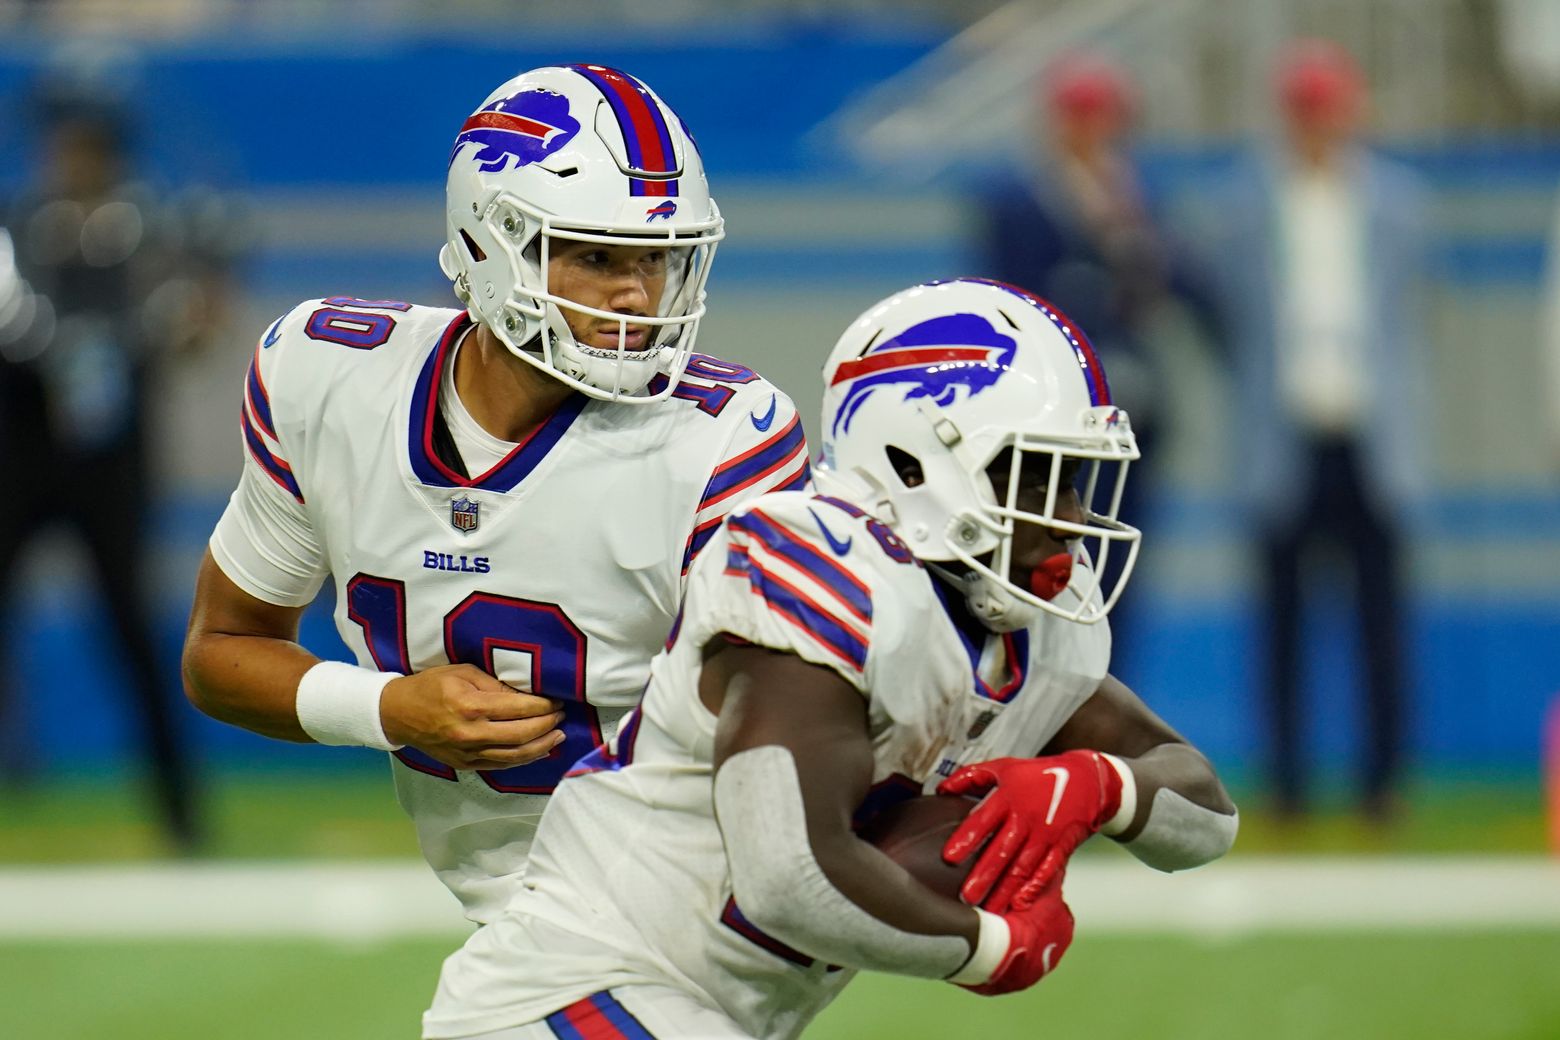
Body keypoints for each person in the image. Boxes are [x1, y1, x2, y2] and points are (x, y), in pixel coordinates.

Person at [422, 278, 1238, 1040]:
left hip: (689, 1012)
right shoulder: (820, 572)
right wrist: (988, 944)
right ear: (916, 461)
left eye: (1074, 480)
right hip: (572, 992)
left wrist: (1100, 787)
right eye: (1035, 477)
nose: (1066, 518)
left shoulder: (1026, 622)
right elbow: (788, 876)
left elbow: (1205, 817)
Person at [180, 65, 809, 923]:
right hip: (514, 913)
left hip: (691, 904)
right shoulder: (326, 378)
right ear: (490, 245)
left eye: (658, 259)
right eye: (596, 256)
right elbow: (221, 651)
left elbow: (794, 736)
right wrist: (388, 708)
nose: (638, 294)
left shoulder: (720, 440)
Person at [0, 73, 233, 852]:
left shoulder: (149, 236)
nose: (72, 161)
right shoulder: (19, 230)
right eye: (64, 146)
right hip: (19, 458)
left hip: (110, 471)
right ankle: (21, 758)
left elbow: (189, 332)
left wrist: (197, 304)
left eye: (87, 147)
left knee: (134, 637)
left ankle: (181, 815)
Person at [1208, 40, 1431, 821]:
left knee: (1381, 625)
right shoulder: (1244, 204)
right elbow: (1230, 322)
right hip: (1284, 439)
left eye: (1327, 106)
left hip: (1370, 438)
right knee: (1283, 627)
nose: (1316, 123)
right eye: (1304, 107)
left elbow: (1405, 323)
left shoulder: (1397, 202)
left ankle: (1382, 783)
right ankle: (1288, 785)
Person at [975, 52, 1221, 664]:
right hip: (1051, 409)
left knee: (1117, 559)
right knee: (1041, 552)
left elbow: (1181, 284)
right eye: (1078, 116)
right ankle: (1039, 684)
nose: (1090, 130)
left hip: (1126, 404)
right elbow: (1008, 300)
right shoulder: (1020, 201)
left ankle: (1107, 683)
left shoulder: (1137, 194)